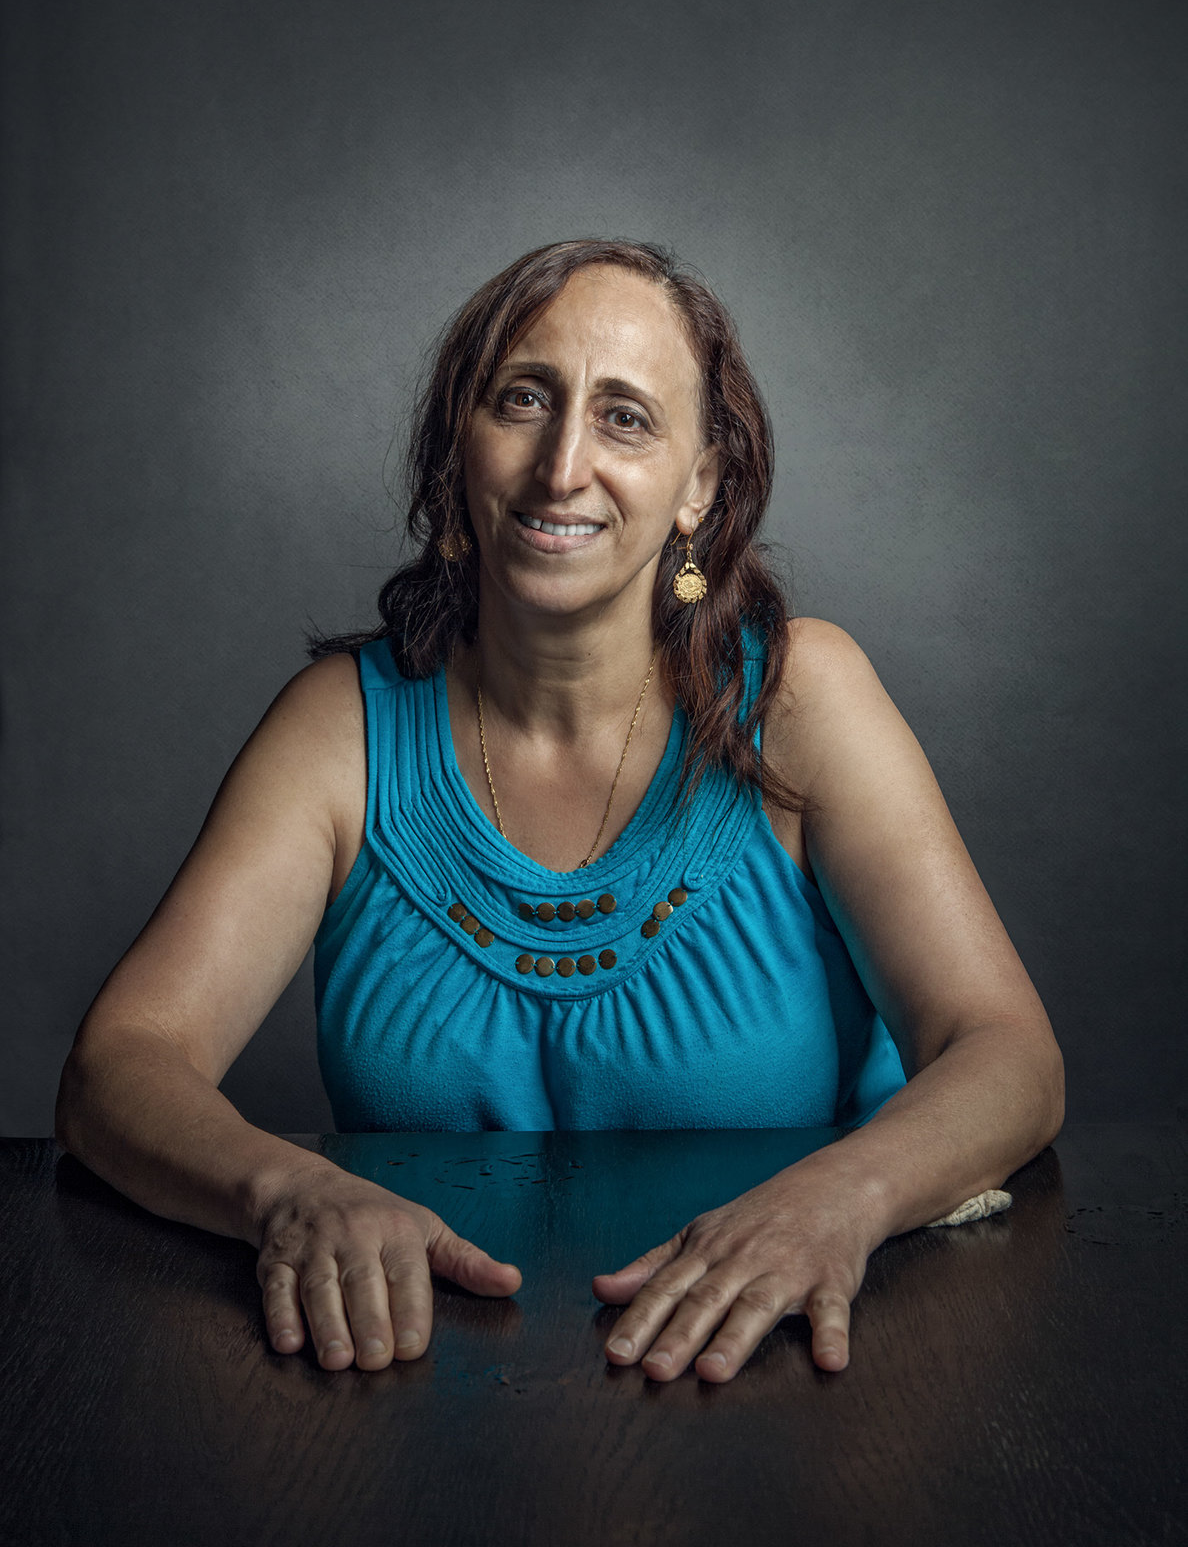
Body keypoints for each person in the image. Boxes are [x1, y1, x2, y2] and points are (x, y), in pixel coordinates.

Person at [56, 238, 1064, 1383]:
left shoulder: (799, 697)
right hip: (427, 1386)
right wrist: (290, 1188)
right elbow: (118, 1067)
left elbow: (1009, 1055)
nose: (563, 463)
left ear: (701, 486)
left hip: (783, 1365)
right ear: (458, 450)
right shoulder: (337, 730)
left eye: (627, 417)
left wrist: (842, 1198)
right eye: (524, 398)